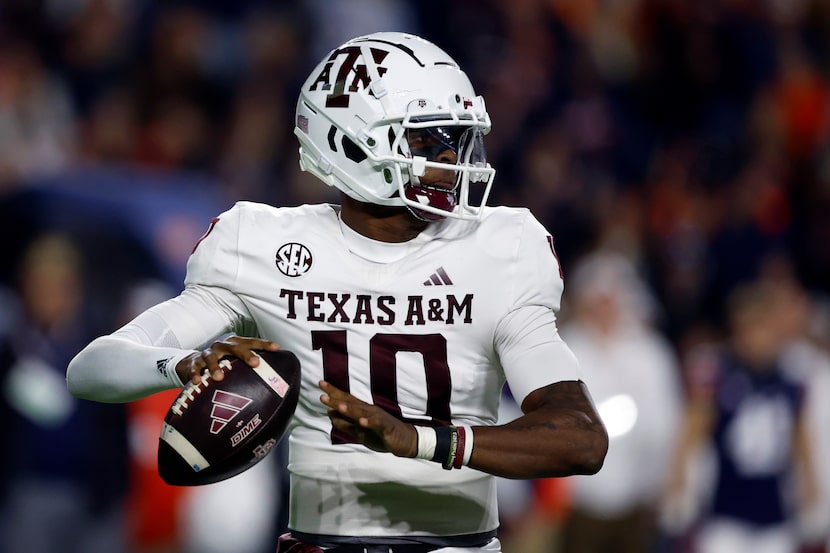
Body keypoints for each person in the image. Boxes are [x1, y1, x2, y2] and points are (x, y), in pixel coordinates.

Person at [67, 32, 608, 553]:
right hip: (320, 544)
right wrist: (187, 364)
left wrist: (419, 439)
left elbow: (582, 439)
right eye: (427, 137)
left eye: (457, 136)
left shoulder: (499, 248)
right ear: (352, 142)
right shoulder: (260, 245)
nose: (453, 157)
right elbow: (91, 368)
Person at [663, 279, 821, 553]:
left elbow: (799, 434)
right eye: (751, 328)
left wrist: (810, 481)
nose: (759, 338)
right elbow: (693, 427)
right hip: (726, 510)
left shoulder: (790, 376)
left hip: (774, 509)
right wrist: (678, 475)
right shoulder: (719, 373)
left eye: (766, 328)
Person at [1, 233, 129, 553]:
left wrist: (113, 490)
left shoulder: (99, 346)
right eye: (38, 284)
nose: (46, 296)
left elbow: (115, 424)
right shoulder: (12, 349)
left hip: (91, 493)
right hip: (27, 491)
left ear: (74, 289)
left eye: (56, 285)